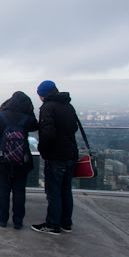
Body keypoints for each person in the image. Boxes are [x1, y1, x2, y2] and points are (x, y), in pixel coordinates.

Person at [31, 80, 79, 235]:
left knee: (53, 191)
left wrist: (43, 151)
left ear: (42, 94)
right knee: (66, 190)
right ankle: (66, 223)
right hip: (71, 153)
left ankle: (53, 224)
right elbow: (74, 128)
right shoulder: (68, 105)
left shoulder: (48, 107)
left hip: (56, 155)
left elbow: (47, 134)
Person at [0, 91, 38, 230]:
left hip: (2, 159)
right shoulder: (28, 118)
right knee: (19, 190)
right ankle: (18, 221)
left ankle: (3, 219)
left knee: (4, 188)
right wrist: (30, 111)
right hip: (23, 159)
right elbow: (36, 126)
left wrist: (0, 143)